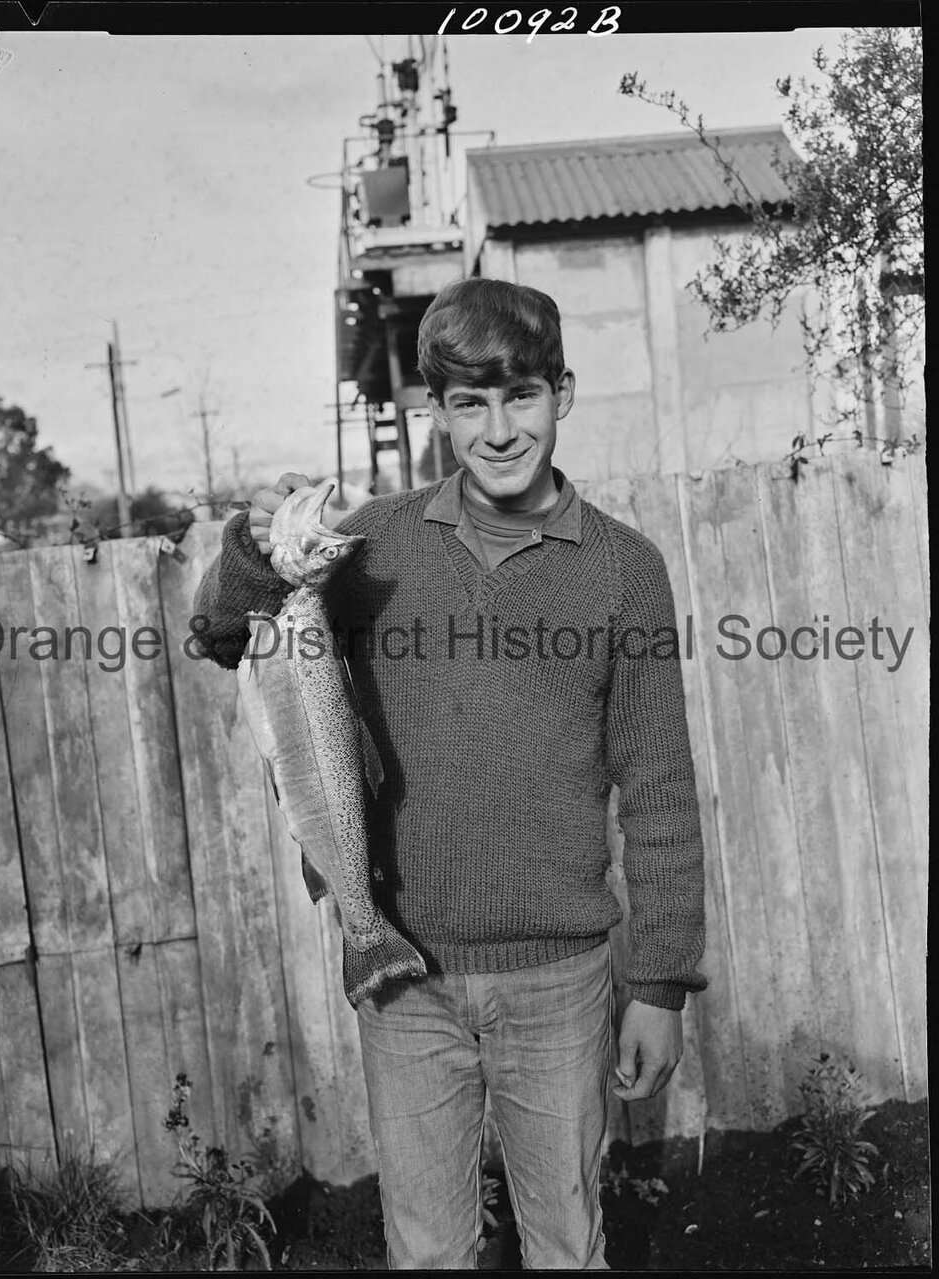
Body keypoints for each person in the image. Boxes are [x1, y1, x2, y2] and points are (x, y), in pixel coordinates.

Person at [192, 277, 706, 1270]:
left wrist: (660, 983)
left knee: (567, 1246)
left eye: (521, 397)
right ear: (437, 411)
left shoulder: (624, 570)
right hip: (405, 977)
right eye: (470, 403)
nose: (499, 429)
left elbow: (659, 790)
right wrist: (256, 561)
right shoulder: (371, 543)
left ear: (563, 393)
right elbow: (219, 634)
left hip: (561, 979)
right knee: (427, 1251)